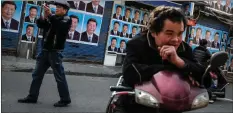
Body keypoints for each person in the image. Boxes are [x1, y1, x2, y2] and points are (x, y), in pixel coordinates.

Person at [119, 6, 205, 113]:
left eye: (180, 34)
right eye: (169, 33)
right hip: (137, 104)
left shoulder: (184, 48)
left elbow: (204, 77)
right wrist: (170, 67)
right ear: (154, 32)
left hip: (172, 106)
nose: (176, 40)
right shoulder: (137, 44)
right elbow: (130, 73)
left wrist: (179, 62)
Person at [18, 1, 72, 107]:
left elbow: (59, 26)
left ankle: (65, 99)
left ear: (65, 10)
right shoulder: (53, 18)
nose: (56, 8)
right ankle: (32, 97)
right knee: (37, 74)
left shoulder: (66, 19)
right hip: (45, 51)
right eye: (56, 7)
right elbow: (40, 24)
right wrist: (44, 16)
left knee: (59, 77)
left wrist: (50, 16)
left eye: (59, 7)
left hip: (55, 52)